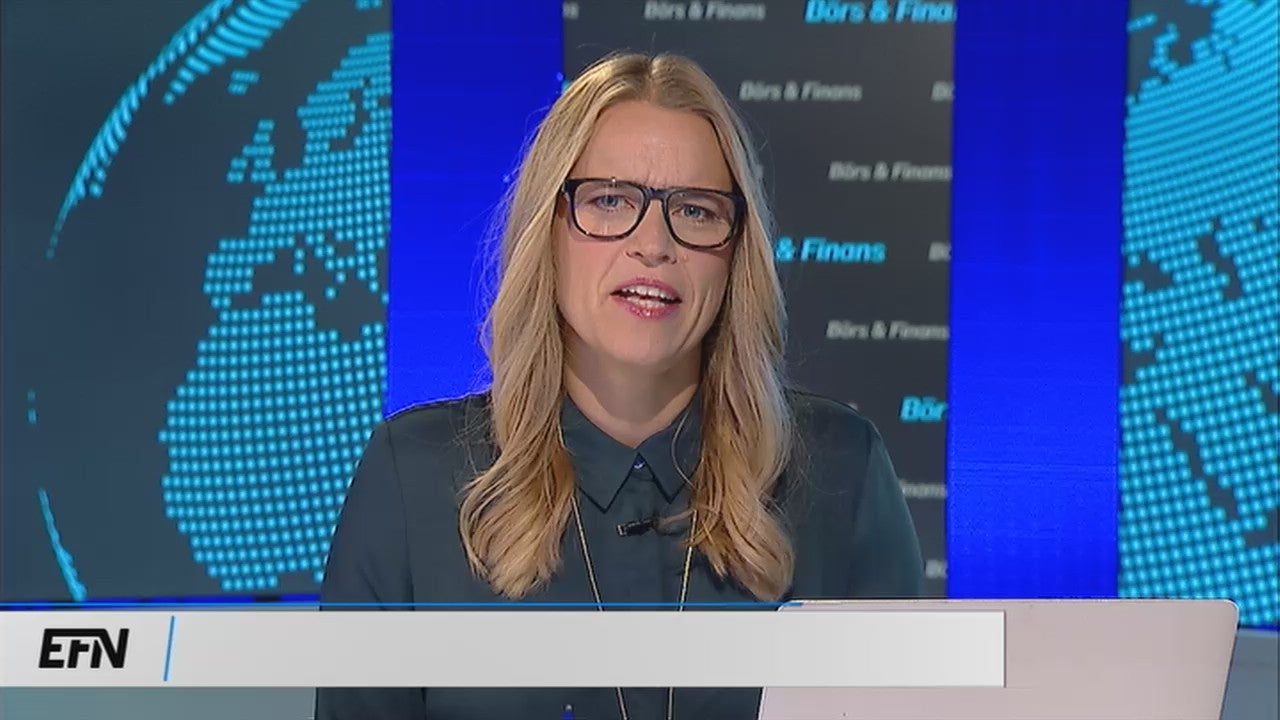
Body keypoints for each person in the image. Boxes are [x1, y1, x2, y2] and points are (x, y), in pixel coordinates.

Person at [315, 51, 923, 720]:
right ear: (548, 229)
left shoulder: (841, 472)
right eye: (610, 201)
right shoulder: (412, 478)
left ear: (734, 254)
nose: (653, 244)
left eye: (695, 211)